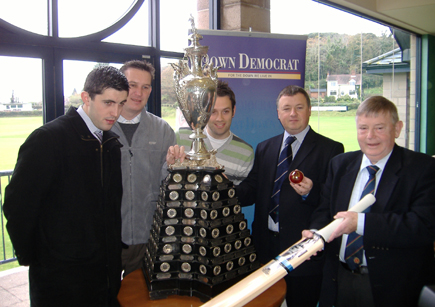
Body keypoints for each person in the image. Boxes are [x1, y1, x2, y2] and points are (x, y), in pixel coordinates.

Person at [4, 66, 129, 307]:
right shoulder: (48, 139)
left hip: (104, 278)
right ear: (86, 98)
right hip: (60, 282)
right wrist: (37, 258)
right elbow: (18, 206)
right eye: (108, 102)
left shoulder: (111, 142)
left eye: (121, 103)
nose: (116, 112)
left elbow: (110, 210)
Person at [303, 96, 435, 307]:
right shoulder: (340, 164)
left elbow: (423, 226)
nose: (370, 136)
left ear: (397, 128)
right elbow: (325, 211)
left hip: (393, 287)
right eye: (363, 128)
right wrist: (316, 233)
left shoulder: (422, 168)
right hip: (340, 279)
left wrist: (361, 223)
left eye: (380, 128)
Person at [237, 85, 344, 307]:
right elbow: (252, 189)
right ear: (278, 113)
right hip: (265, 251)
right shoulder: (265, 147)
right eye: (286, 108)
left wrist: (310, 192)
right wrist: (222, 192)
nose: (292, 113)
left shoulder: (331, 150)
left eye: (299, 107)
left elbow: (333, 202)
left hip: (303, 252)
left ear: (309, 110)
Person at [111, 60, 177, 276]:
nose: (138, 92)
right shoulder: (102, 127)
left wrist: (173, 169)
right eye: (132, 85)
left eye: (146, 87)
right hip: (108, 239)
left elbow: (168, 186)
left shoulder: (162, 130)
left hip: (148, 237)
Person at [176, 80, 254, 184]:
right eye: (213, 112)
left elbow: (240, 197)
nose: (219, 118)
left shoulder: (245, 153)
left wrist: (225, 187)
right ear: (204, 111)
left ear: (233, 111)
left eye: (225, 111)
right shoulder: (182, 137)